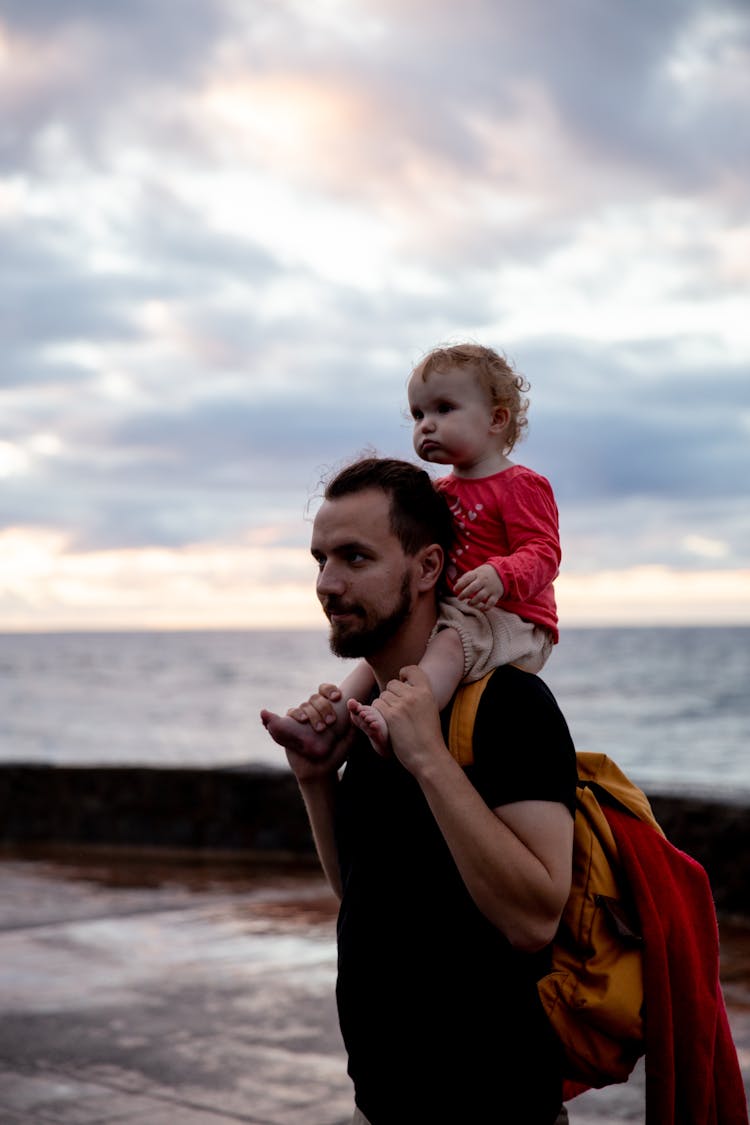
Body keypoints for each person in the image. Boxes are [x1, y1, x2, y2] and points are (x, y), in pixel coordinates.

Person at [261, 456, 577, 1124]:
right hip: (383, 1100)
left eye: (354, 557)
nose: (327, 583)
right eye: (320, 558)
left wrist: (430, 758)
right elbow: (366, 898)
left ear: (429, 568)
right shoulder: (375, 710)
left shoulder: (508, 706)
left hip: (493, 1103)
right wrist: (317, 782)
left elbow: (534, 917)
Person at [271, 342, 561, 759]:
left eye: (444, 409)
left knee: (446, 645)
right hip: (461, 610)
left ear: (496, 419)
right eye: (418, 414)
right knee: (381, 654)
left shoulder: (520, 485)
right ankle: (330, 722)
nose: (426, 425)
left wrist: (501, 574)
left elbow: (544, 551)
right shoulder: (440, 492)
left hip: (511, 617)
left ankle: (407, 722)